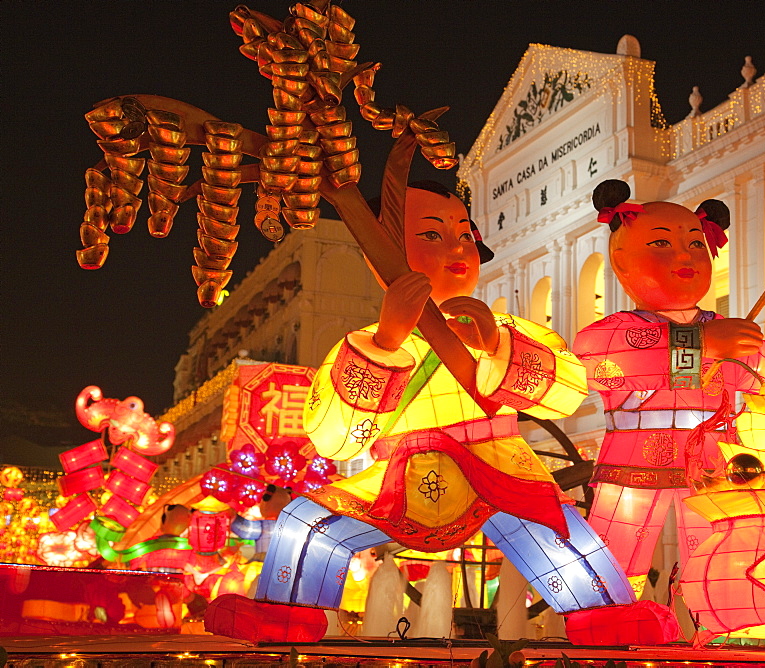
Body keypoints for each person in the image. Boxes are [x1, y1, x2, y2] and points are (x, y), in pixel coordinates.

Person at [207, 181, 673, 644]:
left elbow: (568, 393)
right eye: (432, 235)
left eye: (465, 235)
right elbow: (335, 438)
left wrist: (494, 344)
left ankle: (606, 616)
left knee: (560, 530)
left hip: (497, 464)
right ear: (379, 257)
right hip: (398, 474)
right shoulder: (367, 341)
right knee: (305, 522)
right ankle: (284, 616)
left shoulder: (502, 327)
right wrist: (386, 343)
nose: (457, 248)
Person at [573, 179, 765, 596]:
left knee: (719, 562)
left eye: (695, 244)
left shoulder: (728, 332)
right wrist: (702, 345)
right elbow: (599, 361)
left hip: (710, 465)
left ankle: (718, 622)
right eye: (661, 244)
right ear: (621, 261)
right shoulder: (617, 330)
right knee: (614, 558)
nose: (684, 255)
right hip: (633, 461)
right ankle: (609, 621)